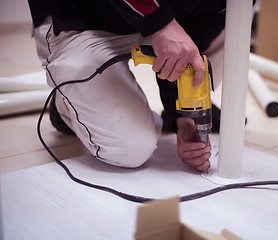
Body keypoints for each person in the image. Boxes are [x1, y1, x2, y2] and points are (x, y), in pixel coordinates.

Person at [27, 0, 226, 171]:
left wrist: (184, 115)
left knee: (236, 25)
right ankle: (67, 106)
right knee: (131, 150)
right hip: (82, 20)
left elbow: (200, 31)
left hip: (170, 18)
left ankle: (170, 112)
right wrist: (160, 24)